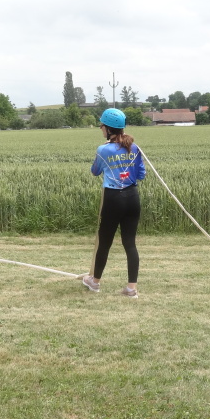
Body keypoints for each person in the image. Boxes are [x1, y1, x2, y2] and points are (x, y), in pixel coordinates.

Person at [82, 108, 146, 297]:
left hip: (113, 199)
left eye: (101, 125)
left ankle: (95, 282)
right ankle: (131, 289)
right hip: (132, 197)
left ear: (108, 128)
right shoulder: (134, 148)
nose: (100, 128)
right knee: (130, 244)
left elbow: (95, 171)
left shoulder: (103, 149)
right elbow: (141, 174)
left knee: (104, 242)